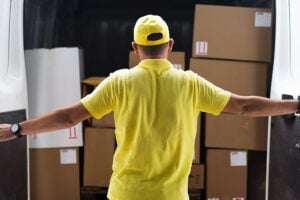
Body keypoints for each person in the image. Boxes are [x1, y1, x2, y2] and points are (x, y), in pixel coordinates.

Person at [0, 14, 299, 200]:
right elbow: (245, 107)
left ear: (134, 48)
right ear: (170, 45)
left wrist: (16, 129)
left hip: (125, 196)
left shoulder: (119, 82)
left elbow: (68, 117)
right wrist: (296, 105)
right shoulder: (190, 84)